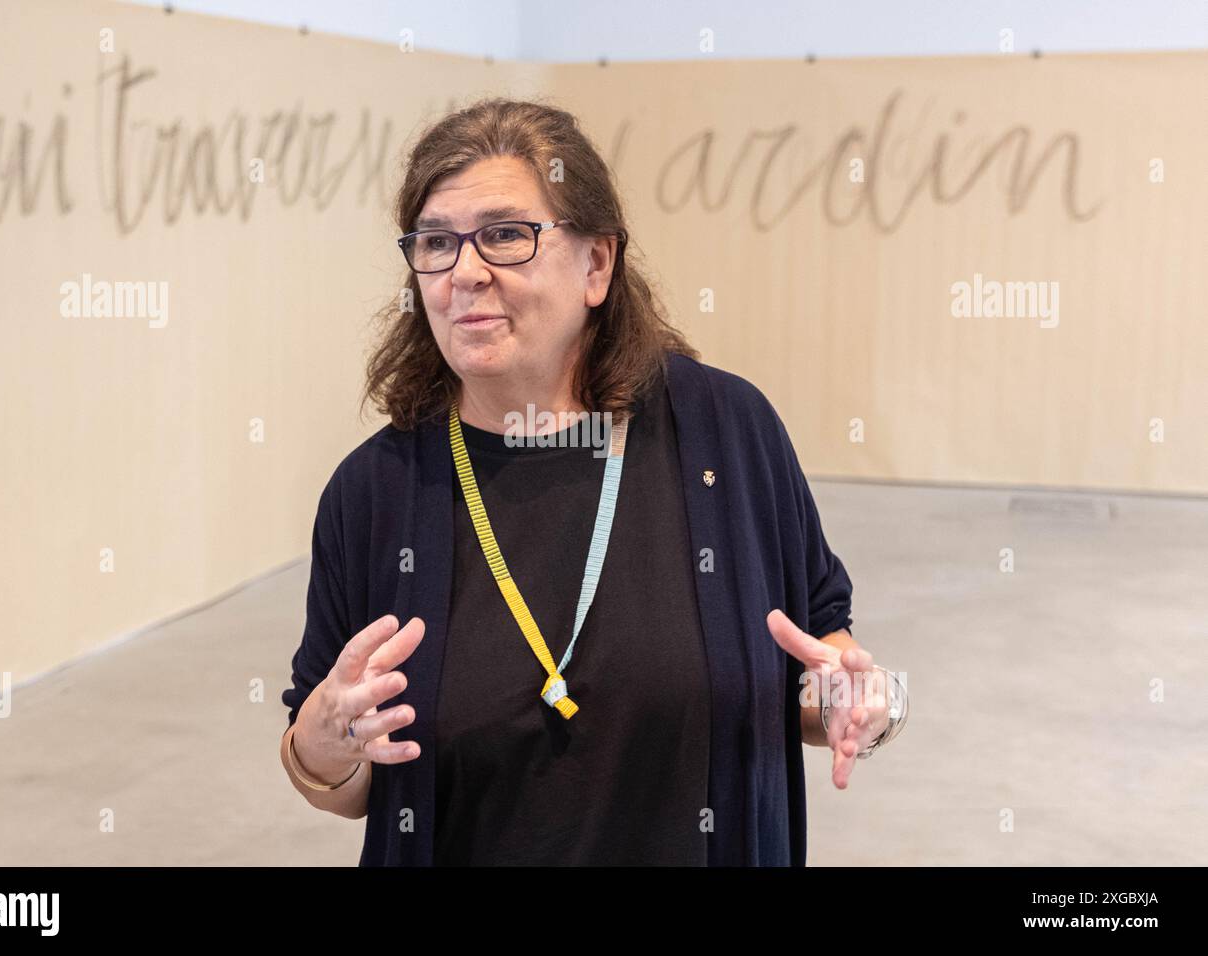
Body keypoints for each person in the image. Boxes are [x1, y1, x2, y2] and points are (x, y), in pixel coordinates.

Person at [280, 97, 907, 866]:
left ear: (597, 265)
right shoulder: (376, 493)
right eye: (436, 243)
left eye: (506, 236)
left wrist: (852, 701)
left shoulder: (727, 434)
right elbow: (346, 784)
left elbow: (819, 652)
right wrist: (319, 747)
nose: (465, 274)